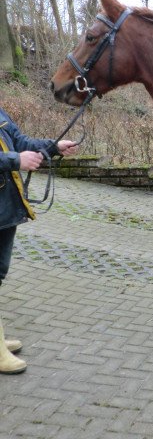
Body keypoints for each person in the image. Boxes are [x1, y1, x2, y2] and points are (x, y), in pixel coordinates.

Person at [0, 106, 78, 374]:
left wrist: (53, 147)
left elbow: (20, 142)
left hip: (6, 206)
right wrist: (14, 160)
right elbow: (16, 154)